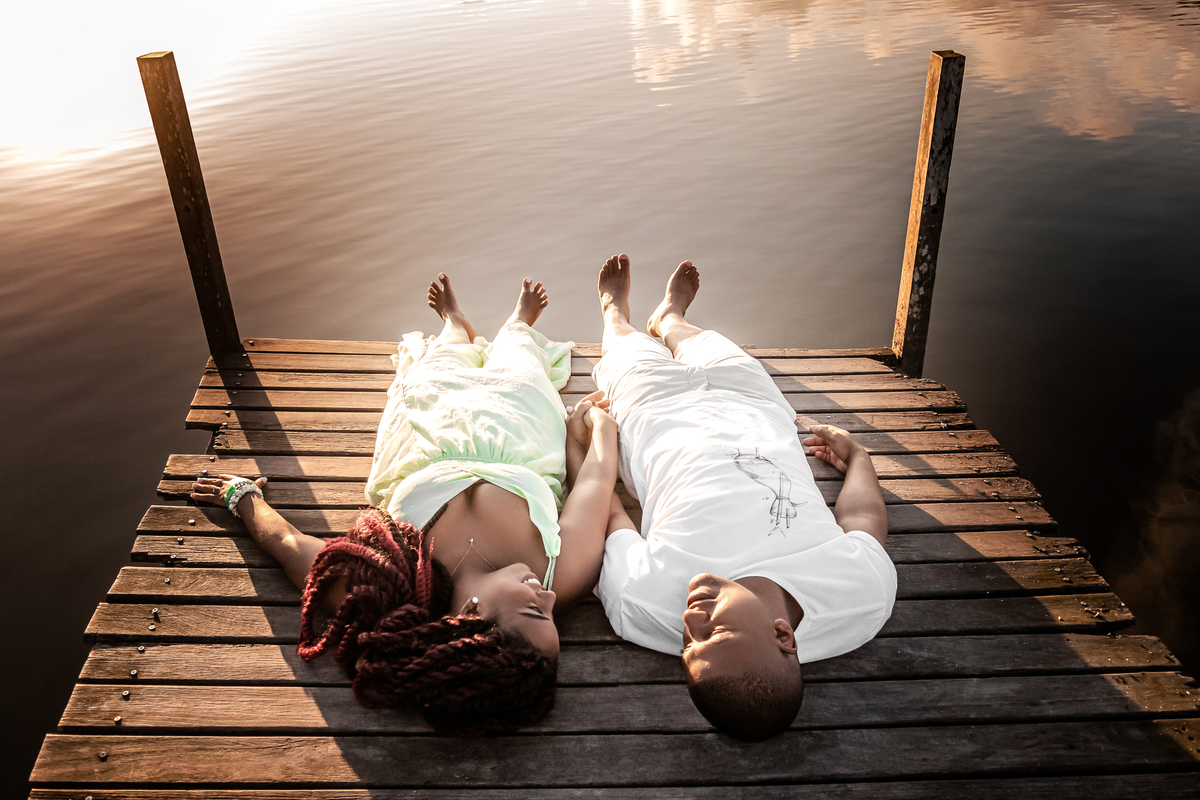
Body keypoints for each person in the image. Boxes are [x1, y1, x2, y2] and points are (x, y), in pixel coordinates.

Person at [191, 274, 622, 735]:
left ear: (472, 615)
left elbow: (292, 547)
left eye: (537, 611)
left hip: (425, 439)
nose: (551, 597)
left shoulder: (390, 588)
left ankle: (455, 324)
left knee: (440, 362)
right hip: (522, 436)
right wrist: (602, 428)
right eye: (552, 613)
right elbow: (596, 481)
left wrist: (240, 496)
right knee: (520, 360)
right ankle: (518, 324)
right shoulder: (564, 572)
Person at [589, 253, 897, 741]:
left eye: (688, 644)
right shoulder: (862, 595)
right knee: (708, 344)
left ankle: (615, 312)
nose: (690, 618)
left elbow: (607, 515)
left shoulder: (642, 603)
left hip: (654, 415)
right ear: (783, 634)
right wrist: (859, 458)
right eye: (715, 632)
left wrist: (590, 447)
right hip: (752, 405)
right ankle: (670, 319)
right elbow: (862, 521)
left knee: (626, 352)